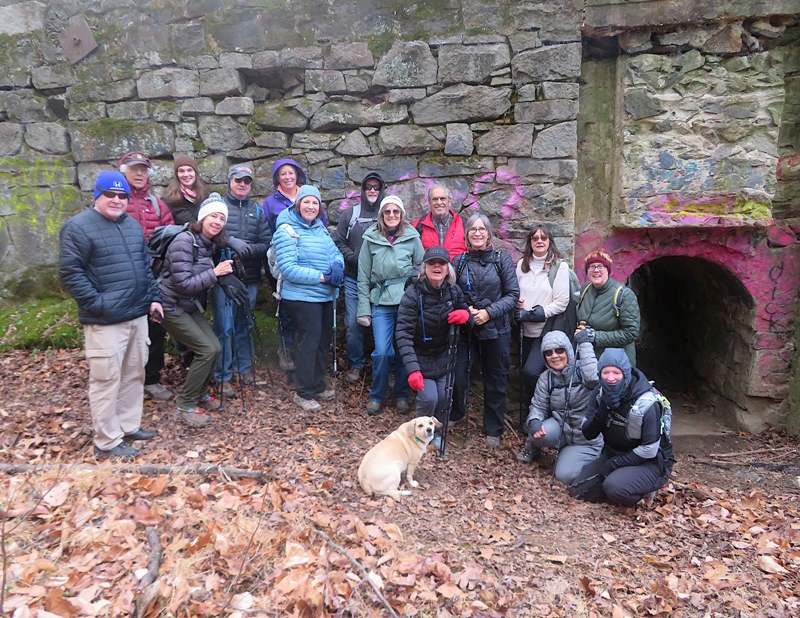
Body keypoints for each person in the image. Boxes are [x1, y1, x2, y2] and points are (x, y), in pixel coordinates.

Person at [58, 171, 160, 460]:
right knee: (106, 381)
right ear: (97, 196)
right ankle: (106, 441)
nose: (117, 200)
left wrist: (153, 299)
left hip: (136, 315)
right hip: (104, 321)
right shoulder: (78, 227)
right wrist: (97, 303)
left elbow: (144, 264)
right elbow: (70, 272)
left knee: (133, 374)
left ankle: (128, 426)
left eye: (122, 196)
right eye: (110, 195)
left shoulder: (130, 225)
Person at [160, 193, 249, 428]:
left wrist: (225, 278)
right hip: (170, 305)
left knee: (216, 347)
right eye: (213, 216)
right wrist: (216, 274)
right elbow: (183, 283)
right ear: (202, 218)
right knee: (207, 349)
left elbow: (201, 277)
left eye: (222, 218)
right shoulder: (185, 241)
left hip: (187, 305)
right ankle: (186, 403)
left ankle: (198, 392)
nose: (218, 221)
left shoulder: (208, 244)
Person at [569, 348, 675, 506]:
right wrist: (603, 409)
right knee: (578, 490)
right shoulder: (599, 393)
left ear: (626, 373)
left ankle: (642, 495)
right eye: (606, 373)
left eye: (616, 373)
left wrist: (613, 465)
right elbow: (587, 432)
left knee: (614, 487)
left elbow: (649, 449)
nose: (611, 378)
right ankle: (619, 481)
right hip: (614, 453)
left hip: (650, 462)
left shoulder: (646, 402)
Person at [273, 185, 344, 412]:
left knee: (323, 341)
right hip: (301, 298)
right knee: (309, 342)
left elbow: (336, 253)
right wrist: (323, 277)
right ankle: (303, 393)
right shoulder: (285, 231)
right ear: (298, 204)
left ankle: (317, 384)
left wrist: (337, 267)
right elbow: (289, 269)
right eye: (306, 202)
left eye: (315, 203)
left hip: (324, 296)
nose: (311, 207)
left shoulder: (320, 229)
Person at [452, 213, 519, 448]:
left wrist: (489, 312)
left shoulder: (502, 260)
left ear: (489, 234)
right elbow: (451, 293)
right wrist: (465, 309)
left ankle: (493, 428)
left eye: (482, 229)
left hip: (496, 330)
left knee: (495, 380)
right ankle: (456, 411)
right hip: (465, 331)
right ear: (467, 234)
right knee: (457, 375)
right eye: (473, 229)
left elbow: (512, 295)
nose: (477, 233)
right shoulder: (458, 262)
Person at [395, 247, 472, 451]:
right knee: (429, 397)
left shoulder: (454, 291)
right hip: (420, 356)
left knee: (445, 397)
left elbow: (467, 316)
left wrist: (466, 316)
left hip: (444, 355)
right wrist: (412, 369)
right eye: (432, 263)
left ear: (448, 268)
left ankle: (436, 433)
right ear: (425, 268)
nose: (437, 267)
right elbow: (402, 334)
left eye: (441, 263)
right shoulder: (412, 295)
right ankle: (418, 436)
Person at [356, 195, 423, 416]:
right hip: (381, 302)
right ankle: (377, 394)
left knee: (405, 351)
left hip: (406, 302)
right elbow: (363, 276)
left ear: (402, 214)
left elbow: (421, 271)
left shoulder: (413, 238)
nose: (392, 215)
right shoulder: (371, 239)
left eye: (396, 211)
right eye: (387, 212)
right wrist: (364, 310)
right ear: (381, 215)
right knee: (383, 352)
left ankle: (401, 394)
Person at [210, 164, 272, 396]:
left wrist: (248, 250)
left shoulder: (257, 211)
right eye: (238, 180)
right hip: (222, 278)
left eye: (247, 181)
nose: (242, 184)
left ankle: (243, 368)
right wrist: (231, 242)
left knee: (244, 324)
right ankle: (223, 375)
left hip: (250, 278)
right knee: (224, 327)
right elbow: (210, 235)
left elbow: (266, 243)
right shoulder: (219, 207)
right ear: (229, 181)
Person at [119, 151, 175, 402]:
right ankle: (124, 382)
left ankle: (152, 379)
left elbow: (172, 235)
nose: (139, 174)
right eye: (134, 169)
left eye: (143, 169)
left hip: (153, 277)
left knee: (155, 328)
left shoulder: (157, 204)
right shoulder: (115, 201)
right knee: (124, 332)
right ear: (123, 171)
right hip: (122, 277)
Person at [264, 158, 327, 371]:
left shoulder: (309, 195)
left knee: (312, 321)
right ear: (277, 178)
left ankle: (306, 362)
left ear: (297, 174)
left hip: (312, 262)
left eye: (291, 172)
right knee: (287, 312)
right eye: (282, 174)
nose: (287, 177)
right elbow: (268, 233)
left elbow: (322, 228)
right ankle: (286, 351)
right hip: (286, 260)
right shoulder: (271, 202)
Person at [516, 330, 603, 484]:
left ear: (568, 351)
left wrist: (584, 344)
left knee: (564, 476)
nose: (554, 356)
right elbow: (538, 406)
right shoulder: (546, 378)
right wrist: (534, 422)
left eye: (559, 350)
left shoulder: (583, 370)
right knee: (538, 429)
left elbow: (593, 380)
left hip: (585, 437)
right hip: (561, 427)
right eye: (548, 353)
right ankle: (532, 447)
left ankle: (581, 457)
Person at [334, 172, 386, 385]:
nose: (372, 190)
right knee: (353, 323)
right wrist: (353, 258)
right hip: (355, 279)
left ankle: (383, 366)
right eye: (368, 187)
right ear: (362, 190)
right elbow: (338, 242)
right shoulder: (351, 214)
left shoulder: (390, 212)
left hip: (382, 282)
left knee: (383, 325)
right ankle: (356, 364)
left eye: (376, 187)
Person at [515, 224, 571, 408]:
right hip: (525, 330)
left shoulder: (559, 267)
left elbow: (562, 301)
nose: (539, 241)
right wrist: (518, 307)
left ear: (549, 242)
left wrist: (537, 313)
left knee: (531, 372)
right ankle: (536, 412)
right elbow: (515, 292)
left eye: (543, 238)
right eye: (535, 238)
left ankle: (541, 409)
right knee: (525, 372)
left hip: (547, 330)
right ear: (530, 242)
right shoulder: (521, 265)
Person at [576, 250, 641, 367]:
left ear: (607, 270)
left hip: (616, 364)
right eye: (591, 266)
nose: (596, 270)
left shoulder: (624, 295)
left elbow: (630, 333)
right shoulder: (585, 289)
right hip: (589, 359)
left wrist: (595, 336)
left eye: (600, 266)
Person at [411, 184, 467, 259]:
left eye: (443, 198)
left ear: (449, 201)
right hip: (428, 269)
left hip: (457, 270)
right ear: (429, 203)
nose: (439, 202)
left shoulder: (465, 224)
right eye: (435, 199)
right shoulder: (417, 226)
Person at [163, 155, 210, 225]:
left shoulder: (205, 196)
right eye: (181, 171)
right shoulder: (170, 200)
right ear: (177, 175)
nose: (186, 174)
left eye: (189, 170)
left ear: (195, 173)